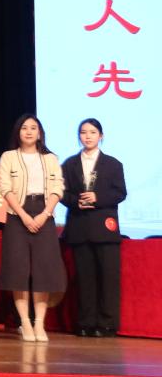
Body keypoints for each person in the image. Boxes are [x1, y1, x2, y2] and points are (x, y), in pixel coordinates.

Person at [0, 114, 67, 342]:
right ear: (18, 132)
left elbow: (57, 188)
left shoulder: (50, 158)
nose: (28, 132)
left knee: (43, 270)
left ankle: (39, 324)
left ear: (40, 133)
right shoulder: (8, 157)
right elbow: (5, 188)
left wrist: (45, 214)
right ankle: (25, 323)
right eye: (24, 128)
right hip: (17, 214)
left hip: (44, 213)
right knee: (18, 271)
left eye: (33, 128)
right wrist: (24, 215)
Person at [62, 117, 126, 337]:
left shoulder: (113, 164)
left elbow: (120, 193)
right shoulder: (69, 164)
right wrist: (75, 201)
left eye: (92, 132)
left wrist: (97, 197)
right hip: (79, 226)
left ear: (101, 136)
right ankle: (85, 322)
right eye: (83, 132)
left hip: (104, 228)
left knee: (108, 278)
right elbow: (62, 193)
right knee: (84, 278)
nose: (87, 136)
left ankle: (107, 323)